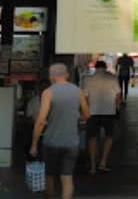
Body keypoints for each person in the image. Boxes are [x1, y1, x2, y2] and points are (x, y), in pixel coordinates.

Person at [31, 63, 89, 199]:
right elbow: (87, 114)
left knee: (49, 176)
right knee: (67, 178)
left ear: (51, 77)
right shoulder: (78, 91)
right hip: (72, 142)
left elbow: (40, 121)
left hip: (51, 142)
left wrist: (34, 144)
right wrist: (77, 118)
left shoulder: (48, 93)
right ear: (67, 75)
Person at [82, 60, 122, 173]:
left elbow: (85, 97)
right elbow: (118, 95)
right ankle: (103, 162)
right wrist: (117, 107)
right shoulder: (112, 78)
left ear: (95, 67)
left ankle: (93, 166)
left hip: (92, 112)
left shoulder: (88, 79)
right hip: (109, 112)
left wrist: (84, 111)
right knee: (109, 136)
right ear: (105, 67)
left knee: (92, 138)